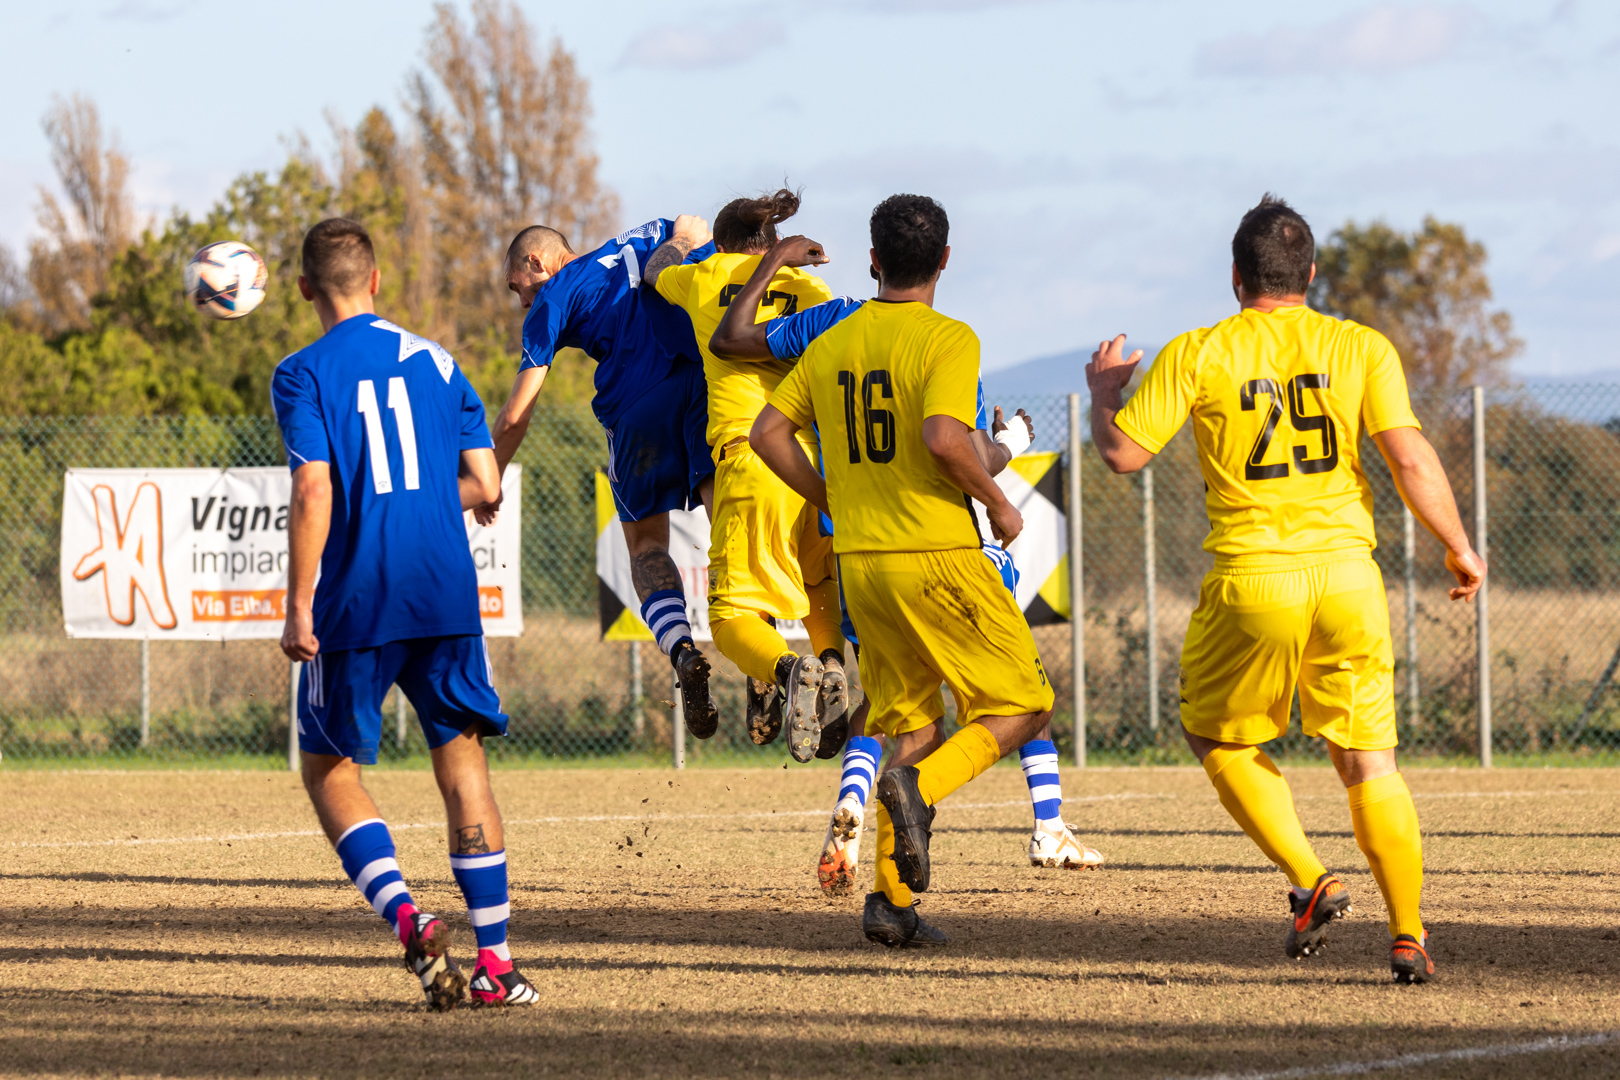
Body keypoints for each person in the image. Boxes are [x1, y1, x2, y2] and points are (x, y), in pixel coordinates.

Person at [1087, 194, 1487, 984]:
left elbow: (1124, 456)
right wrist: (1459, 545)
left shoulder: (1199, 351)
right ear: (1310, 274)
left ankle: (1311, 880)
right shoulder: (1360, 346)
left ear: (1236, 277)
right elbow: (1410, 458)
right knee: (1370, 763)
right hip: (1348, 578)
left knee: (1216, 736)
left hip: (1254, 579)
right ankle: (1409, 933)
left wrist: (1104, 395)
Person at [713, 234, 1101, 897]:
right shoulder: (948, 340)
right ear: (945, 258)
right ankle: (945, 796)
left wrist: (827, 497)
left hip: (860, 563)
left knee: (911, 723)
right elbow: (950, 442)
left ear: (873, 259)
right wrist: (1003, 480)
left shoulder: (830, 335)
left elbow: (764, 427)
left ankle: (890, 903)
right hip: (938, 554)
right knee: (1028, 704)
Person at [273, 218, 537, 1010]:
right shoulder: (438, 360)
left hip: (359, 597)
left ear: (305, 288)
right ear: (377, 281)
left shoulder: (301, 372)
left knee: (329, 768)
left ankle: (408, 916)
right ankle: (498, 967)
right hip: (444, 589)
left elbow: (314, 488)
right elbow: (486, 483)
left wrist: (297, 605)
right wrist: (427, 503)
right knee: (463, 765)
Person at [482, 217, 720, 736]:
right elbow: (702, 238)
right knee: (728, 518)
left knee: (646, 545)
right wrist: (687, 236)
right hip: (703, 377)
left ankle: (682, 649)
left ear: (536, 262)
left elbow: (515, 416)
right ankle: (763, 653)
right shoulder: (649, 234)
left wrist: (490, 479)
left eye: (516, 286)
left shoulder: (551, 299)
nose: (521, 301)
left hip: (635, 405)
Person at [641, 190, 845, 762]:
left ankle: (789, 669)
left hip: (751, 458)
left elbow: (655, 271)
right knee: (817, 582)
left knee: (730, 617)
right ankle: (833, 666)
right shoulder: (811, 289)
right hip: (812, 464)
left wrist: (682, 241)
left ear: (724, 244)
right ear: (772, 241)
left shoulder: (706, 275)